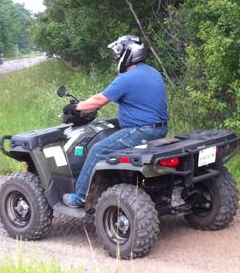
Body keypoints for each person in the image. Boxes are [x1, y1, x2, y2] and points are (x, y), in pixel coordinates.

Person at [62, 35, 169, 208]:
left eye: (119, 54)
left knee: (98, 149)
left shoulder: (127, 78)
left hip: (142, 130)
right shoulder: (152, 72)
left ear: (128, 54)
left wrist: (76, 107)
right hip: (160, 129)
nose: (117, 58)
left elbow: (99, 100)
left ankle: (80, 196)